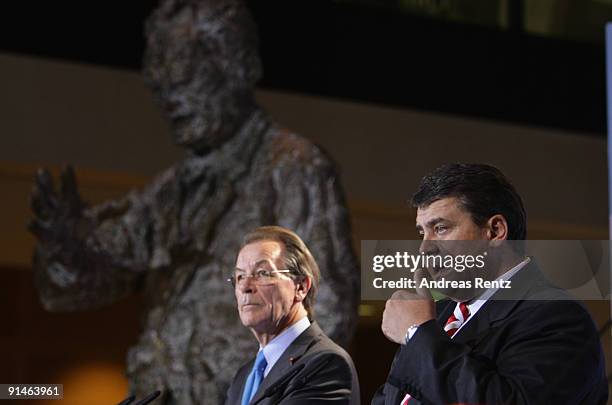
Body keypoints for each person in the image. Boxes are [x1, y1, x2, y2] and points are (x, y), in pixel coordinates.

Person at [28, 0, 358, 403]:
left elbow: (331, 311)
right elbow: (76, 286)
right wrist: (68, 248)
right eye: (160, 86)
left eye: (185, 78)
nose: (171, 99)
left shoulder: (293, 168)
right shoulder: (170, 192)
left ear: (237, 67)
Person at [372, 163, 608, 404]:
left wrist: (418, 334)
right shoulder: (436, 316)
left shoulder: (558, 316)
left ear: (495, 231)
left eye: (441, 228)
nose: (425, 248)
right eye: (422, 233)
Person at [225, 226, 360, 404]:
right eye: (240, 276)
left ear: (301, 287)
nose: (245, 287)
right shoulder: (244, 376)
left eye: (262, 273)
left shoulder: (326, 363)